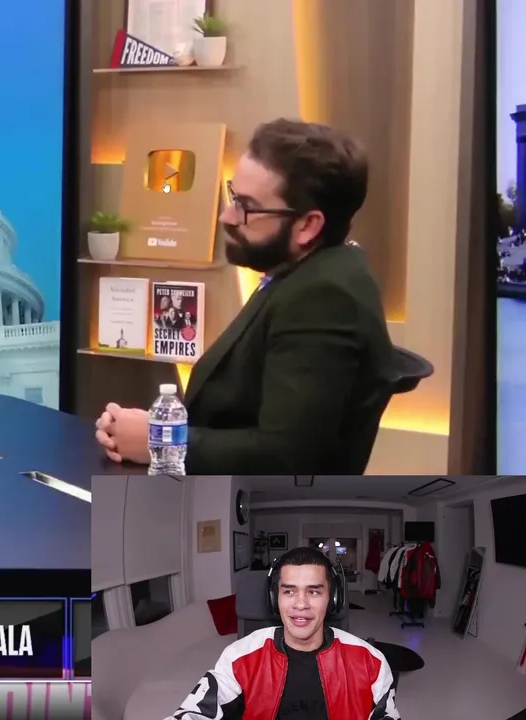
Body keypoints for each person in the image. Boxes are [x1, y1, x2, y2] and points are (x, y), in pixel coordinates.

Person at [97, 119, 393, 474]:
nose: (227, 216)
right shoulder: (301, 272)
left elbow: (285, 454)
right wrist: (152, 426)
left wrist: (161, 440)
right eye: (233, 196)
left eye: (246, 207)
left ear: (308, 225)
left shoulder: (325, 298)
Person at [167, 547, 399, 720]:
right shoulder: (239, 657)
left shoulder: (371, 661)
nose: (301, 604)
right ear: (274, 598)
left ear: (333, 599)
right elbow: (196, 713)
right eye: (289, 591)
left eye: (314, 592)